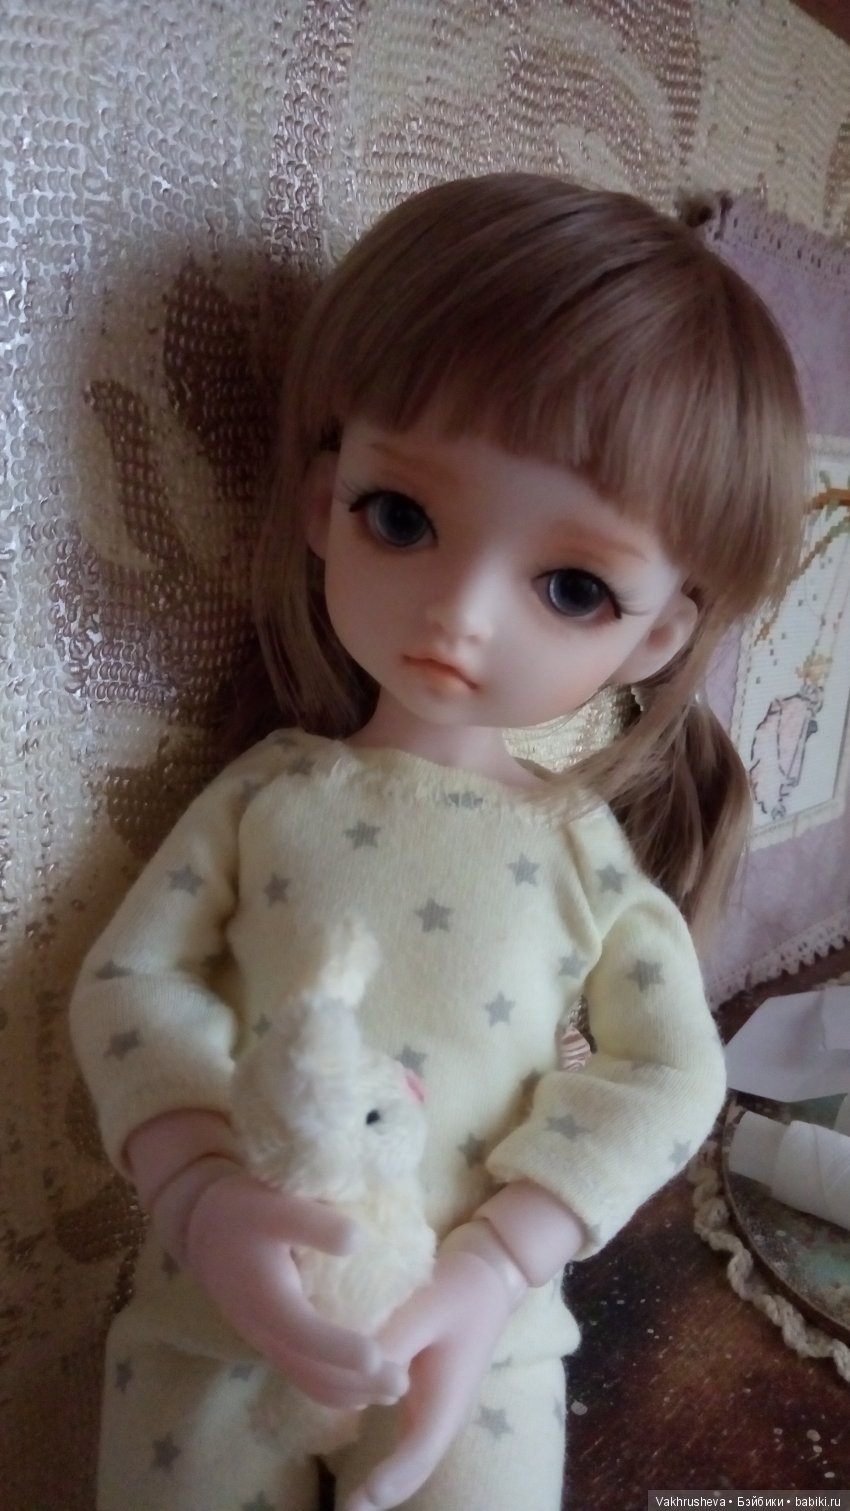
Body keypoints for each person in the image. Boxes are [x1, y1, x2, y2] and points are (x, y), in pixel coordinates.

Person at [70, 172, 808, 1511]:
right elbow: (130, 984)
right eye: (401, 518)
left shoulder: (577, 852)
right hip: (210, 1323)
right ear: (322, 499)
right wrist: (200, 1196)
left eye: (571, 586)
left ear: (656, 635)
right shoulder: (269, 797)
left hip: (482, 1349)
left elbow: (663, 1073)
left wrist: (496, 1262)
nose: (459, 614)